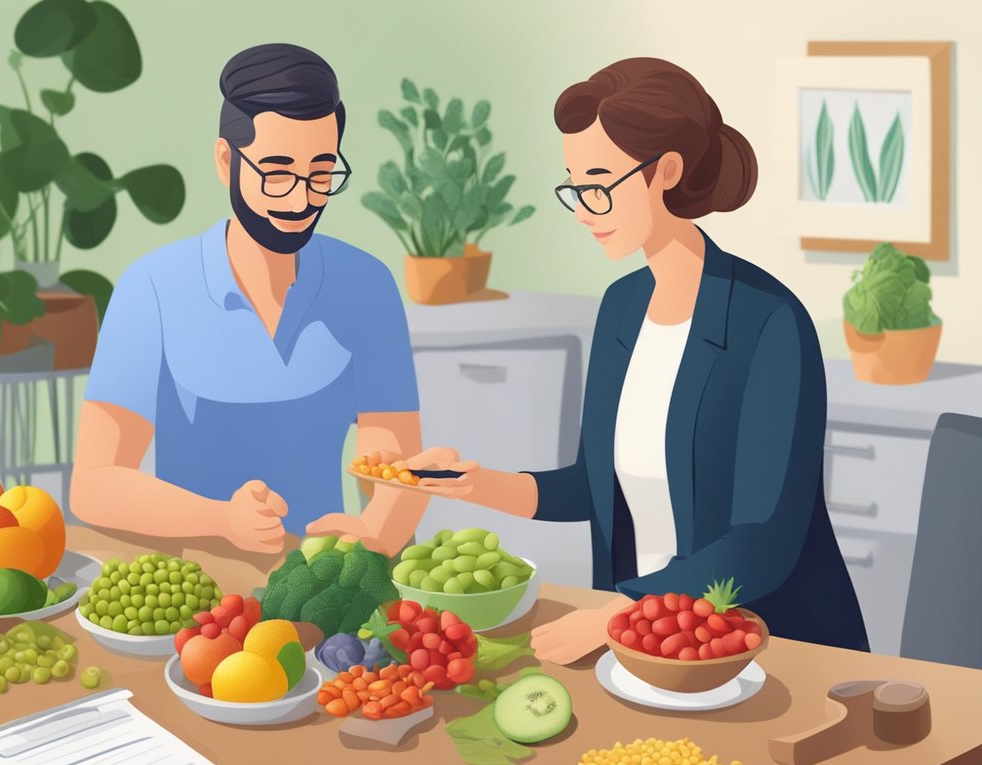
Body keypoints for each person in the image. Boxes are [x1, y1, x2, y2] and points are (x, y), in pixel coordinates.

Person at [408, 58, 869, 661]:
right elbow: (594, 487)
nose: (581, 210)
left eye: (598, 185)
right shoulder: (622, 307)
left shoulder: (769, 322)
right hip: (641, 640)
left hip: (762, 647)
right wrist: (475, 485)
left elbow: (761, 542)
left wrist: (615, 614)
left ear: (667, 171)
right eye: (574, 187)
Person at [70, 43, 428, 556]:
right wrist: (220, 520)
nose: (301, 199)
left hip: (326, 588)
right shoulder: (150, 288)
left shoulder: (366, 286)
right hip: (191, 598)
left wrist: (381, 532)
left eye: (321, 173)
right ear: (225, 161)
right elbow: (96, 483)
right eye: (277, 172)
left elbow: (392, 459)